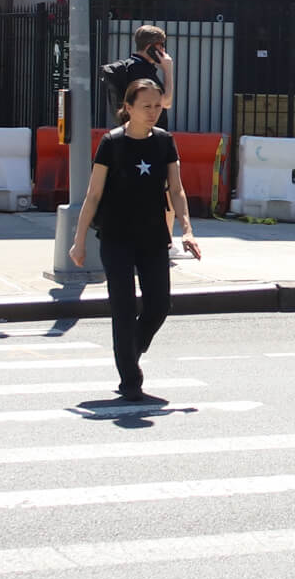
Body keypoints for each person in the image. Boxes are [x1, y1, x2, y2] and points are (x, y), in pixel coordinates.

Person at [69, 77, 199, 402]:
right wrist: (79, 240)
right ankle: (130, 378)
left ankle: (131, 349)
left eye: (157, 105)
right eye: (146, 106)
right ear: (128, 108)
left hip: (153, 236)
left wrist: (187, 229)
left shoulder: (164, 141)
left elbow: (177, 189)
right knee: (123, 308)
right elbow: (94, 193)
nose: (154, 112)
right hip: (116, 237)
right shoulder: (111, 143)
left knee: (159, 305)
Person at [100, 23, 173, 116]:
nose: (163, 49)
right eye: (161, 45)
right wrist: (168, 69)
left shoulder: (132, 66)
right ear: (150, 47)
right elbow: (166, 102)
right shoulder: (141, 70)